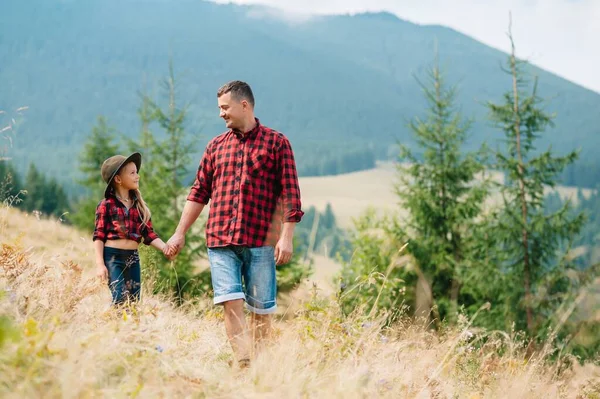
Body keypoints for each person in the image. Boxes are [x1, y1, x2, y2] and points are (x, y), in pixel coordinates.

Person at [166, 80, 304, 367]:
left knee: (260, 310)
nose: (221, 114)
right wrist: (179, 233)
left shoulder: (277, 143)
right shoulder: (215, 146)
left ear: (244, 105)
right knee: (230, 300)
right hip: (220, 241)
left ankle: (260, 368)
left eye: (225, 107)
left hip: (260, 241)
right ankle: (243, 363)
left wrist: (286, 236)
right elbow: (198, 192)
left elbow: (290, 193)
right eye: (219, 108)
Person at [93, 152, 171, 305]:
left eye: (137, 172)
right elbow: (99, 236)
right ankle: (113, 326)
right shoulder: (106, 205)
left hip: (133, 258)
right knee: (120, 298)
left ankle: (129, 329)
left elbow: (148, 234)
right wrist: (100, 264)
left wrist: (165, 248)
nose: (138, 176)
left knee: (134, 302)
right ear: (118, 179)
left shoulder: (139, 207)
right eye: (133, 173)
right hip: (112, 258)